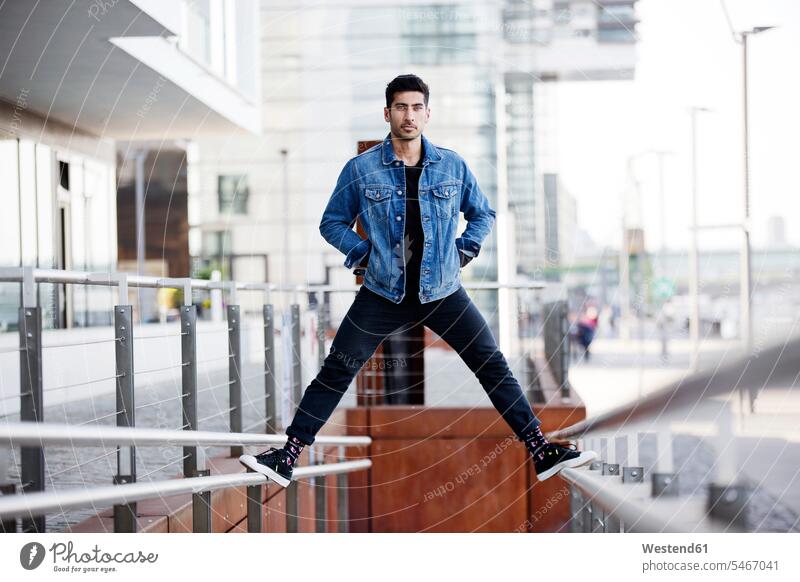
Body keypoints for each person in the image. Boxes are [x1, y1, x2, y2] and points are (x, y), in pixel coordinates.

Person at [239, 74, 596, 487]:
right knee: (337, 369)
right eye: (401, 107)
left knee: (492, 364)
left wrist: (464, 250)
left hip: (442, 290)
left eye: (416, 107)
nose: (409, 116)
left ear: (428, 113)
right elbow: (331, 222)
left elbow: (482, 214)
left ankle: (540, 449)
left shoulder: (452, 164)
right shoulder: (361, 169)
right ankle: (288, 455)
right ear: (387, 112)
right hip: (381, 292)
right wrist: (362, 254)